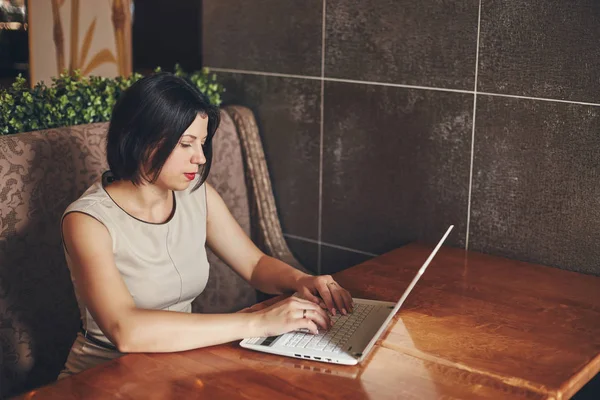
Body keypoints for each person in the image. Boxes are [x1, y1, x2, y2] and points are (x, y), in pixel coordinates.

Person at [58, 72, 353, 378]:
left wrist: (302, 280)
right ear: (140, 138)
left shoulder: (196, 194)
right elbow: (125, 329)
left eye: (202, 143)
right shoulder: (87, 221)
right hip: (101, 377)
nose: (199, 158)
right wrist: (258, 322)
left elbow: (254, 264)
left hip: (173, 369)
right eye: (186, 144)